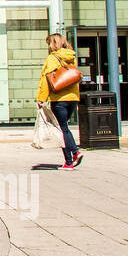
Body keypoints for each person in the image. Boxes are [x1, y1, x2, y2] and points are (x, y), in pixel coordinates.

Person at [37, 33, 82, 169]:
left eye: (49, 44)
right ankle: (68, 163)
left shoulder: (52, 58)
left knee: (62, 129)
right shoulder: (71, 56)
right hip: (73, 98)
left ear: (53, 44)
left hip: (59, 99)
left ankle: (75, 152)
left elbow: (46, 79)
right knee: (63, 129)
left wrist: (41, 98)